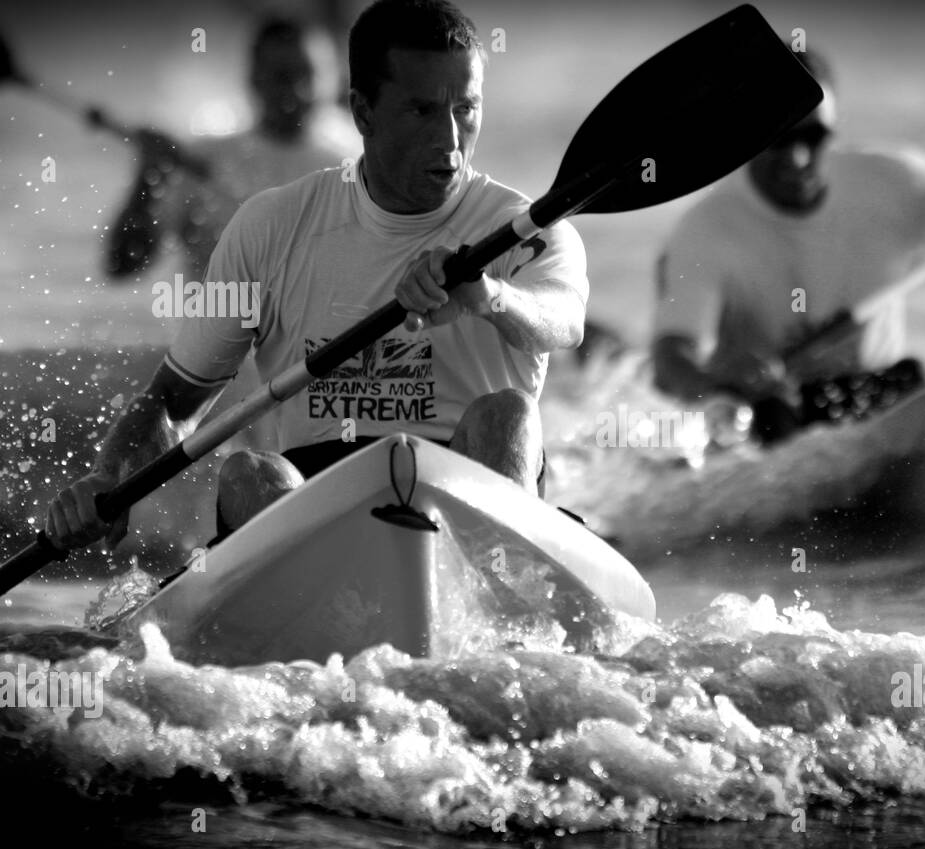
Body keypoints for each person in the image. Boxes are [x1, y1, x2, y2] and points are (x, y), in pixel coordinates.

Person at [44, 0, 587, 553]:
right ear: (363, 112)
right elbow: (174, 401)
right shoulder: (267, 224)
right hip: (316, 490)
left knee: (509, 413)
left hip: (476, 474)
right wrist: (107, 479)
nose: (449, 140)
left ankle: (494, 581)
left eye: (466, 109)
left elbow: (564, 322)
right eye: (423, 112)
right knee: (246, 472)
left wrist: (488, 295)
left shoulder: (521, 227)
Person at [651, 49, 925, 444]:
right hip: (774, 411)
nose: (797, 157)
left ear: (832, 132)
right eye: (778, 136)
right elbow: (672, 362)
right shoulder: (706, 228)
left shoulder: (891, 182)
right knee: (778, 414)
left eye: (813, 137)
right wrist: (711, 384)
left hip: (880, 389)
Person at [107, 16, 362, 450]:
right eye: (282, 76)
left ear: (334, 78)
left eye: (309, 76)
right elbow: (123, 264)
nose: (297, 90)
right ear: (254, 81)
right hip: (220, 378)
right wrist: (148, 176)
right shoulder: (203, 160)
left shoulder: (357, 159)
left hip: (322, 376)